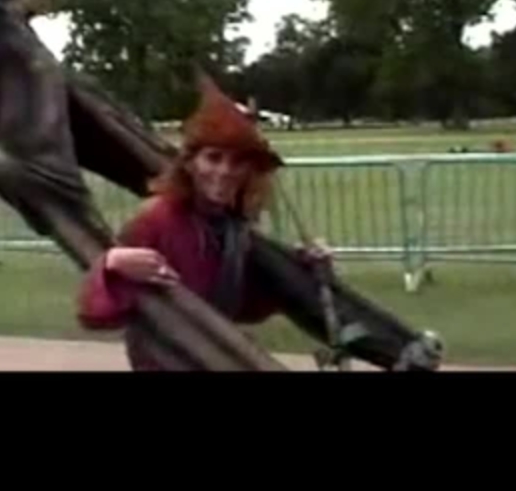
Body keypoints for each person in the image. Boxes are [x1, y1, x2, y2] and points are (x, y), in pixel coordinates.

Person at [76, 75, 332, 370]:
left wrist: (300, 268)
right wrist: (111, 265)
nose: (225, 171)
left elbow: (242, 307)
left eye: (237, 161)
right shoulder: (155, 219)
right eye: (213, 158)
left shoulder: (232, 226)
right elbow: (93, 314)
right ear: (189, 163)